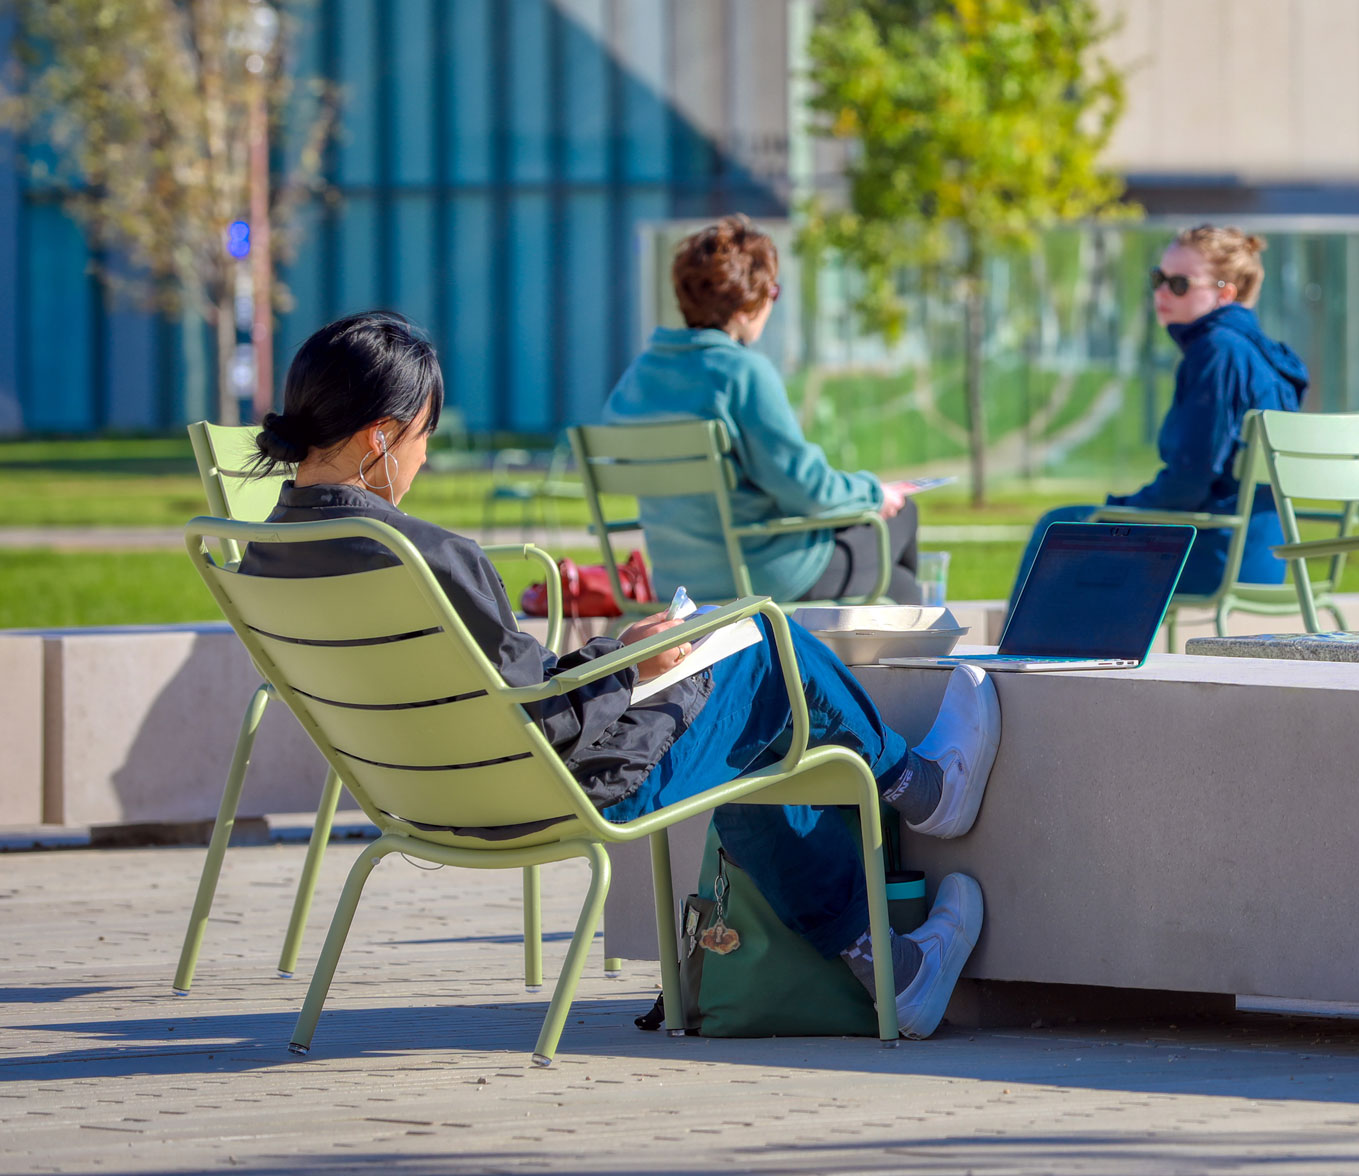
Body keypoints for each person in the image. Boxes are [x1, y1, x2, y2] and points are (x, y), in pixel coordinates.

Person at [244, 311, 994, 1040]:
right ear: (380, 436)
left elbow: (511, 699)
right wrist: (630, 665)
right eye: (422, 437)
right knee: (764, 636)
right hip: (558, 786)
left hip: (418, 797)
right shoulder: (421, 555)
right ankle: (920, 788)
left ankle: (891, 965)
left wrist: (618, 653)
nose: (425, 458)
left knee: (747, 725)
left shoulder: (261, 556)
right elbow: (541, 721)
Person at [605, 215, 924, 605]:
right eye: (772, 291)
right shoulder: (742, 372)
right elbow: (806, 490)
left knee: (897, 585)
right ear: (744, 304)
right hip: (764, 574)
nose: (772, 302)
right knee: (902, 519)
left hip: (676, 581)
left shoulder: (638, 376)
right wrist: (874, 491)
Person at [1013, 225, 1309, 602]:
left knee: (1060, 527)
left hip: (1216, 555)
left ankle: (1014, 659)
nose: (1162, 293)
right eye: (1158, 278)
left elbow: (1189, 482)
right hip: (1265, 558)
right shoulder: (1269, 357)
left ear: (1226, 293)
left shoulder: (1217, 351)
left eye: (1180, 284)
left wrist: (1123, 508)